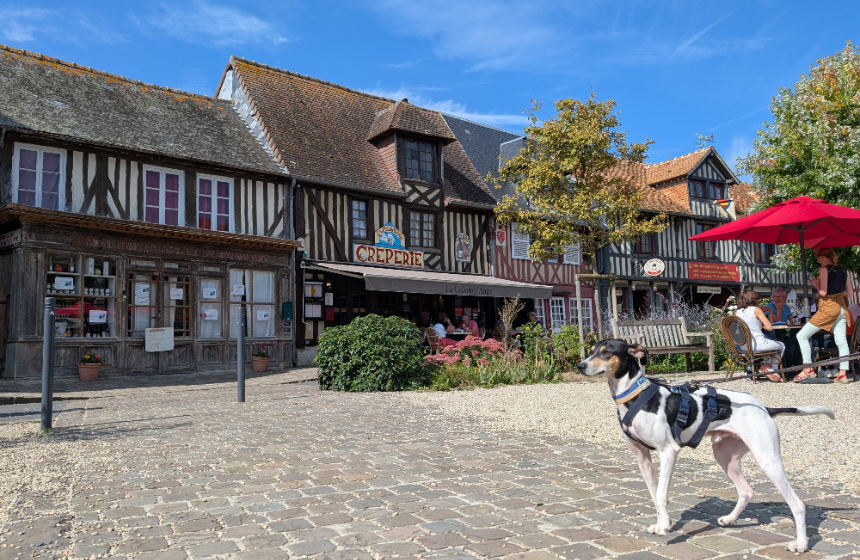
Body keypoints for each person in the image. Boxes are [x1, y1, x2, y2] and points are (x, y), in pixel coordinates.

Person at [795, 248, 853, 383]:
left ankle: (808, 368)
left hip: (828, 308)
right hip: (841, 308)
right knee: (841, 341)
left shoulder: (824, 270)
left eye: (818, 258)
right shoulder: (844, 271)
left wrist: (816, 287)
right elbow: (849, 294)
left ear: (823, 257)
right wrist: (836, 292)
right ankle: (843, 372)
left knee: (802, 335)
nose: (818, 260)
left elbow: (823, 293)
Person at [736, 290, 785, 382]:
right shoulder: (756, 310)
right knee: (781, 345)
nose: (759, 302)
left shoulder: (738, 312)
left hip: (744, 346)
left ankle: (768, 367)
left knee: (770, 346)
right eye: (757, 300)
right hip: (757, 345)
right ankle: (773, 370)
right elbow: (770, 327)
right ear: (754, 300)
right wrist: (764, 320)